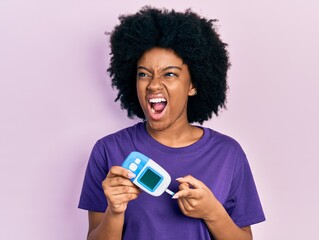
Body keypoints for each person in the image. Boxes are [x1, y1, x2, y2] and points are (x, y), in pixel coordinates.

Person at [79, 6, 265, 240]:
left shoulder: (228, 153)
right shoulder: (108, 150)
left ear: (193, 84)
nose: (153, 85)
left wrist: (213, 213)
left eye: (169, 74)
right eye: (143, 74)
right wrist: (115, 212)